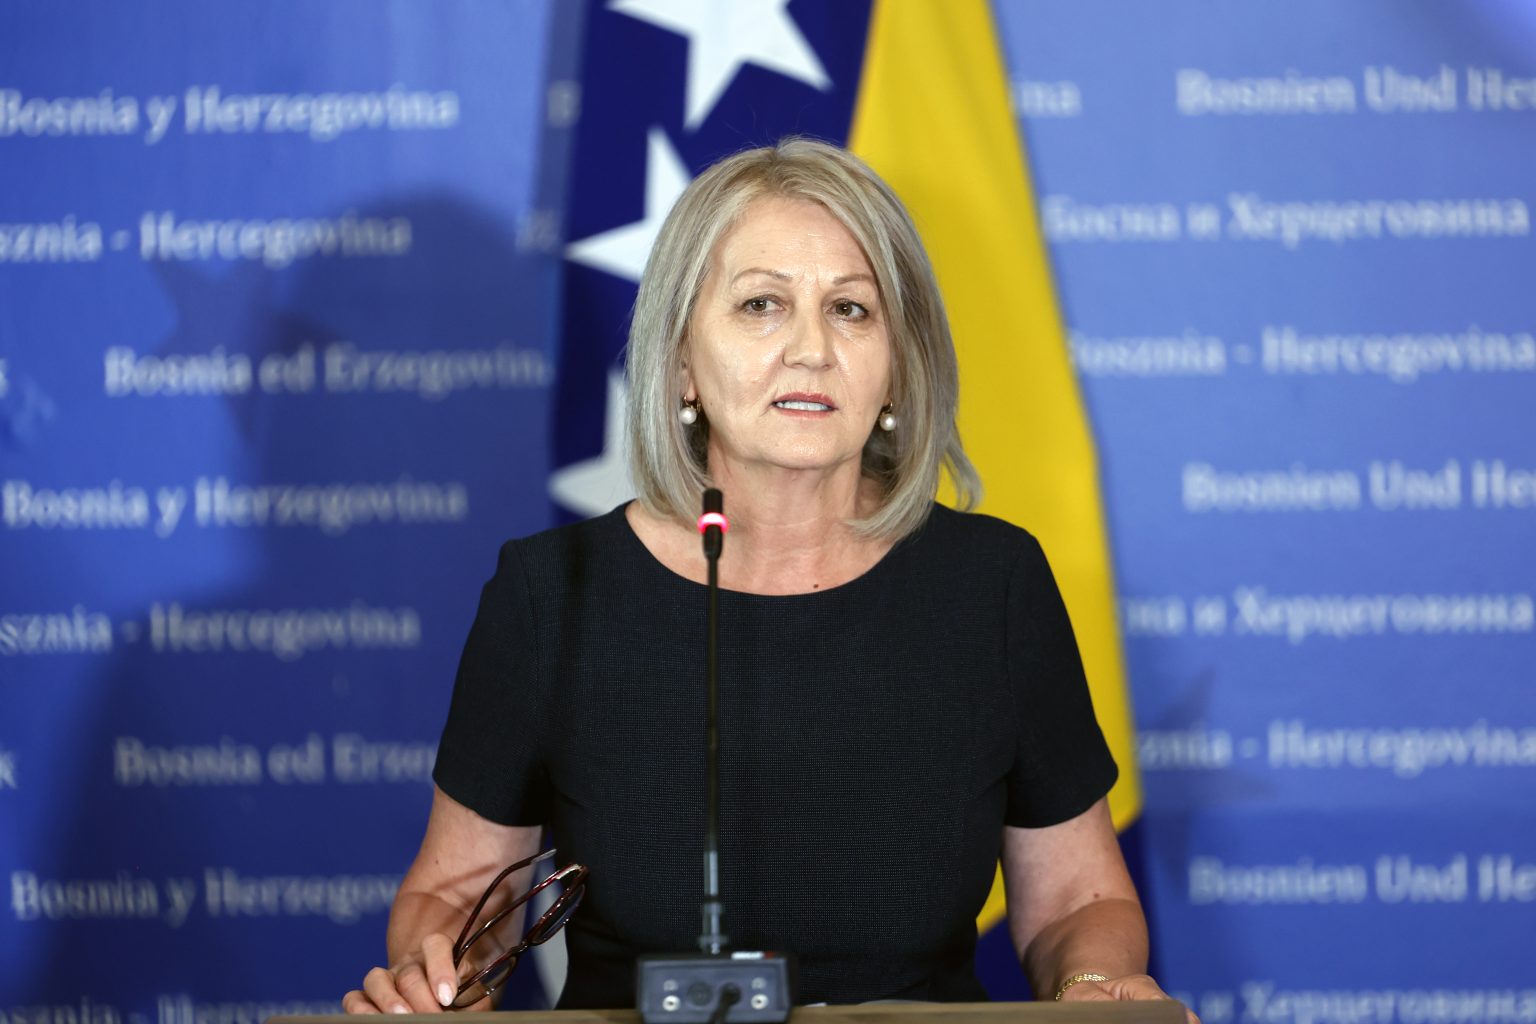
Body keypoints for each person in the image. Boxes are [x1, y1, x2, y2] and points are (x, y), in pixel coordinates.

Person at [343, 139, 1182, 1014]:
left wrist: (1090, 984)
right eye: (761, 305)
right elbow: (454, 894)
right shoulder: (553, 596)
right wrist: (442, 981)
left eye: (851, 309)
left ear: (898, 364)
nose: (811, 349)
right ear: (681, 362)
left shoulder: (993, 587)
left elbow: (1078, 898)